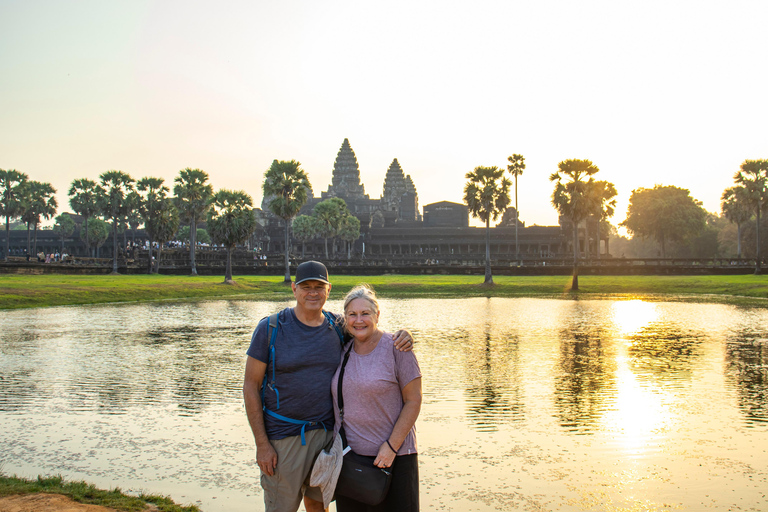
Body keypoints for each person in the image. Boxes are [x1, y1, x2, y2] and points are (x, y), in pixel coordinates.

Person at [243, 261, 413, 512]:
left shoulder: (337, 326)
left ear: (328, 290)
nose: (312, 293)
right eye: (306, 287)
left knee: (318, 506)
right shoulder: (271, 328)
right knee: (282, 507)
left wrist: (403, 336)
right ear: (294, 289)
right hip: (284, 438)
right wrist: (262, 443)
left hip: (327, 439)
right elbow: (250, 385)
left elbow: (366, 325)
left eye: (319, 287)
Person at [331, 284, 422, 512]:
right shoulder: (343, 350)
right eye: (352, 314)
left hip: (395, 459)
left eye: (365, 313)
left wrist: (391, 447)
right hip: (351, 461)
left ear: (377, 315)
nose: (358, 320)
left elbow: (414, 400)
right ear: (345, 318)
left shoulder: (397, 348)